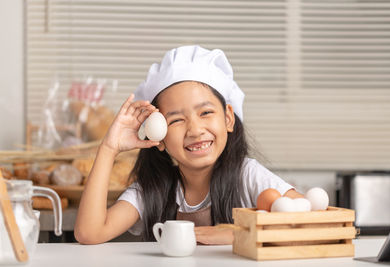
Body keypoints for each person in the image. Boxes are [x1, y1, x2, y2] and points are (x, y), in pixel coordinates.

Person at [74, 45, 303, 245]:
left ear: (228, 118)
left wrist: (233, 235)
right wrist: (109, 148)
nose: (194, 130)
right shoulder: (152, 190)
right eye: (176, 120)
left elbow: (306, 220)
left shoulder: (247, 176)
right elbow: (89, 233)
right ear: (159, 138)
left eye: (205, 112)